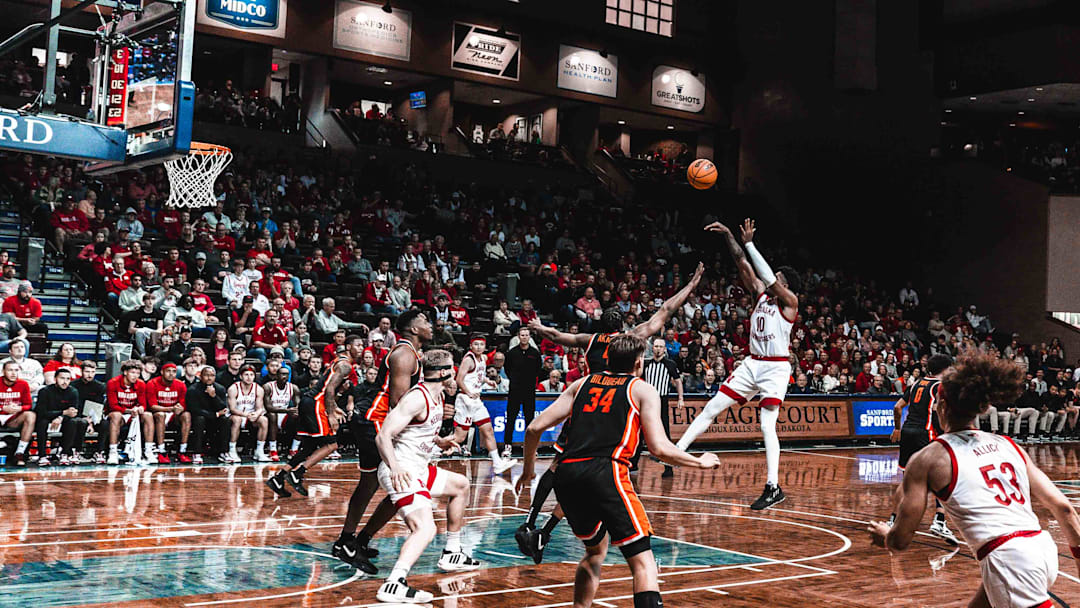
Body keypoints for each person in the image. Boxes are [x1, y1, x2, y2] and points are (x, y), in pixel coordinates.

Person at [517, 334, 720, 608]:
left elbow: (533, 429)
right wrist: (700, 461)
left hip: (567, 475)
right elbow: (659, 448)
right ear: (638, 363)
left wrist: (529, 469)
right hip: (607, 472)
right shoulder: (641, 389)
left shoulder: (582, 383)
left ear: (608, 359)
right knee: (643, 563)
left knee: (594, 551)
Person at [519, 261, 704, 559]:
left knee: (561, 468)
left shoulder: (589, 339)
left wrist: (538, 327)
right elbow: (664, 312)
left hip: (587, 405)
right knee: (611, 472)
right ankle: (582, 523)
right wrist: (691, 286)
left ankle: (533, 523)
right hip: (619, 410)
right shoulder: (631, 341)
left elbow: (557, 337)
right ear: (622, 331)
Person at [869, 353, 1080, 608]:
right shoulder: (1008, 444)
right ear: (981, 408)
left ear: (941, 405)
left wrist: (886, 537)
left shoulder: (928, 459)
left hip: (1008, 557)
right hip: (1041, 548)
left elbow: (901, 540)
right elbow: (1065, 510)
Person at [675, 220, 799, 511]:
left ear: (786, 284)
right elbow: (742, 262)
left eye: (778, 278)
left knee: (767, 425)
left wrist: (751, 243)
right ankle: (677, 451)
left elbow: (766, 275)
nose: (771, 278)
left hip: (776, 368)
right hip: (753, 363)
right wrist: (732, 237)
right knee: (712, 408)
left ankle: (773, 486)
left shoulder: (790, 302)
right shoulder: (760, 294)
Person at [373, 349, 479, 603]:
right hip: (402, 468)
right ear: (443, 373)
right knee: (425, 528)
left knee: (461, 485)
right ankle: (394, 583)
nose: (456, 373)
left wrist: (440, 442)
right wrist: (396, 467)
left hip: (419, 467)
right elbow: (383, 436)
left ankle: (452, 552)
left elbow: (417, 431)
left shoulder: (437, 395)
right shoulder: (417, 398)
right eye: (453, 368)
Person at [332, 311, 432, 574]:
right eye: (424, 321)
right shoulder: (404, 354)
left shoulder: (411, 353)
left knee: (378, 482)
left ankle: (355, 540)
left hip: (377, 420)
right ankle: (349, 540)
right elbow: (399, 403)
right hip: (374, 420)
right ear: (412, 328)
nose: (430, 325)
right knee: (394, 482)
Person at [887, 354, 958, 544]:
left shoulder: (916, 384)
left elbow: (897, 407)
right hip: (925, 433)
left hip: (908, 432)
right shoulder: (939, 386)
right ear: (946, 369)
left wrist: (897, 428)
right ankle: (940, 521)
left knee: (906, 480)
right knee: (945, 476)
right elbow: (938, 410)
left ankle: (893, 520)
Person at [449, 335, 515, 473]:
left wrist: (486, 381)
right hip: (465, 400)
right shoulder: (468, 359)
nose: (479, 347)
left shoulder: (483, 359)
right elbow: (459, 379)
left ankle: (497, 463)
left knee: (488, 430)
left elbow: (476, 375)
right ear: (471, 346)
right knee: (459, 437)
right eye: (476, 344)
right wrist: (468, 392)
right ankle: (433, 447)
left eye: (481, 344)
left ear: (485, 347)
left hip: (476, 401)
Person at [639, 337, 685, 477]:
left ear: (664, 349)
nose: (658, 349)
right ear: (652, 348)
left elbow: (678, 382)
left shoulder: (670, 364)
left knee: (664, 433)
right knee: (640, 431)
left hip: (662, 400)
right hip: (646, 401)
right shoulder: (645, 364)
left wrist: (680, 398)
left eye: (660, 346)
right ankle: (632, 464)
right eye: (656, 346)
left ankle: (668, 466)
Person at [502, 327, 542, 458]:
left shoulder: (535, 353)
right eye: (522, 335)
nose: (524, 337)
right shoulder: (512, 353)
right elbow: (507, 369)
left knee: (530, 420)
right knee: (511, 419)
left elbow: (538, 370)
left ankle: (530, 447)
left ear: (529, 337)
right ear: (518, 337)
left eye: (526, 335)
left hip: (529, 391)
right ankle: (508, 446)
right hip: (514, 390)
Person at [104, 360, 152, 465]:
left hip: (133, 414)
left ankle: (149, 450)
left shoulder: (141, 384)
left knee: (148, 415)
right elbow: (113, 406)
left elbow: (143, 404)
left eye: (138, 373)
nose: (135, 376)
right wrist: (130, 410)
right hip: (116, 414)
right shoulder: (113, 383)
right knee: (116, 415)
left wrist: (140, 409)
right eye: (132, 373)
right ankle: (113, 451)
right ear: (125, 372)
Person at [34, 368, 82, 465]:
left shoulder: (73, 392)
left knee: (73, 421)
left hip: (63, 419)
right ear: (55, 378)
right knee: (42, 422)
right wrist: (63, 412)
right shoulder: (44, 391)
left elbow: (73, 412)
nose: (65, 382)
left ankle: (65, 453)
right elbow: (41, 412)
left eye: (68, 379)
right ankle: (42, 456)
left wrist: (61, 417)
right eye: (62, 378)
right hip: (45, 418)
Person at [146, 362, 191, 464]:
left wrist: (180, 408)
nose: (171, 374)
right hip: (158, 414)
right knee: (160, 415)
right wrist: (171, 409)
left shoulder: (181, 385)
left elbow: (183, 404)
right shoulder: (152, 383)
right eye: (168, 371)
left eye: (174, 371)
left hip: (173, 414)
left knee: (187, 415)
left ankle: (182, 450)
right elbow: (152, 406)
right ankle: (161, 451)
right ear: (162, 372)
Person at [226, 366, 268, 463]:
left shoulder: (259, 389)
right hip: (236, 415)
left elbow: (259, 407)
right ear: (241, 376)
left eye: (251, 375)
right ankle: (232, 450)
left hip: (250, 416)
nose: (249, 377)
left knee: (264, 420)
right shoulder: (233, 388)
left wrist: (256, 414)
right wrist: (246, 415)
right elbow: (232, 409)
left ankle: (259, 451)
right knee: (237, 420)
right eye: (246, 375)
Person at [187, 366, 229, 464]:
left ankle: (224, 452)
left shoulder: (220, 388)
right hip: (199, 418)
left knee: (225, 420)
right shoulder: (193, 389)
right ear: (200, 376)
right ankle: (197, 453)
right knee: (200, 419)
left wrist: (214, 396)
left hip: (214, 418)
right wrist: (215, 414)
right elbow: (194, 410)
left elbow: (223, 407)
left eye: (212, 375)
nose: (209, 378)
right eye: (206, 375)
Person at [0, 360, 35, 466]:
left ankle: (19, 452)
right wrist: (3, 407)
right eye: (10, 370)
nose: (13, 373)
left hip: (13, 417)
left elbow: (28, 405)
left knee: (31, 415)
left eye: (16, 370)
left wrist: (19, 408)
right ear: (3, 371)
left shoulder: (23, 384)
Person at [263, 366, 299, 462]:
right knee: (272, 415)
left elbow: (298, 406)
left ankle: (294, 449)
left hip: (284, 414)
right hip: (269, 414)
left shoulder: (293, 388)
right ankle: (273, 449)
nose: (285, 376)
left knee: (301, 417)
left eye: (287, 374)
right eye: (282, 374)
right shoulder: (268, 387)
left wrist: (295, 411)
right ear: (276, 376)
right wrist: (287, 411)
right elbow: (268, 407)